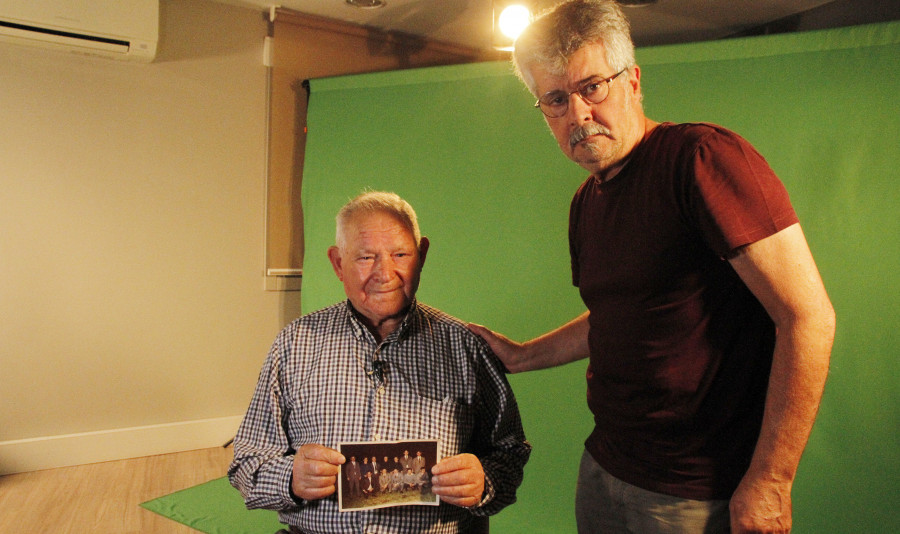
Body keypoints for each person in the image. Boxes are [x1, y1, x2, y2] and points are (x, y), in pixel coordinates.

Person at [466, 1, 835, 533]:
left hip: (696, 492)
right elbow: (619, 316)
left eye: (592, 87)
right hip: (605, 468)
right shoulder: (586, 201)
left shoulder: (702, 160)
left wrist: (772, 481)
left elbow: (808, 318)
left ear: (633, 81)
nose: (578, 114)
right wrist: (523, 356)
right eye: (554, 99)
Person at [229, 191, 531, 533]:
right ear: (337, 264)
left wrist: (484, 482)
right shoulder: (295, 344)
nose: (385, 272)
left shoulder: (465, 346)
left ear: (422, 256)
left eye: (400, 254)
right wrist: (290, 478)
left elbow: (510, 451)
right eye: (365, 257)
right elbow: (246, 462)